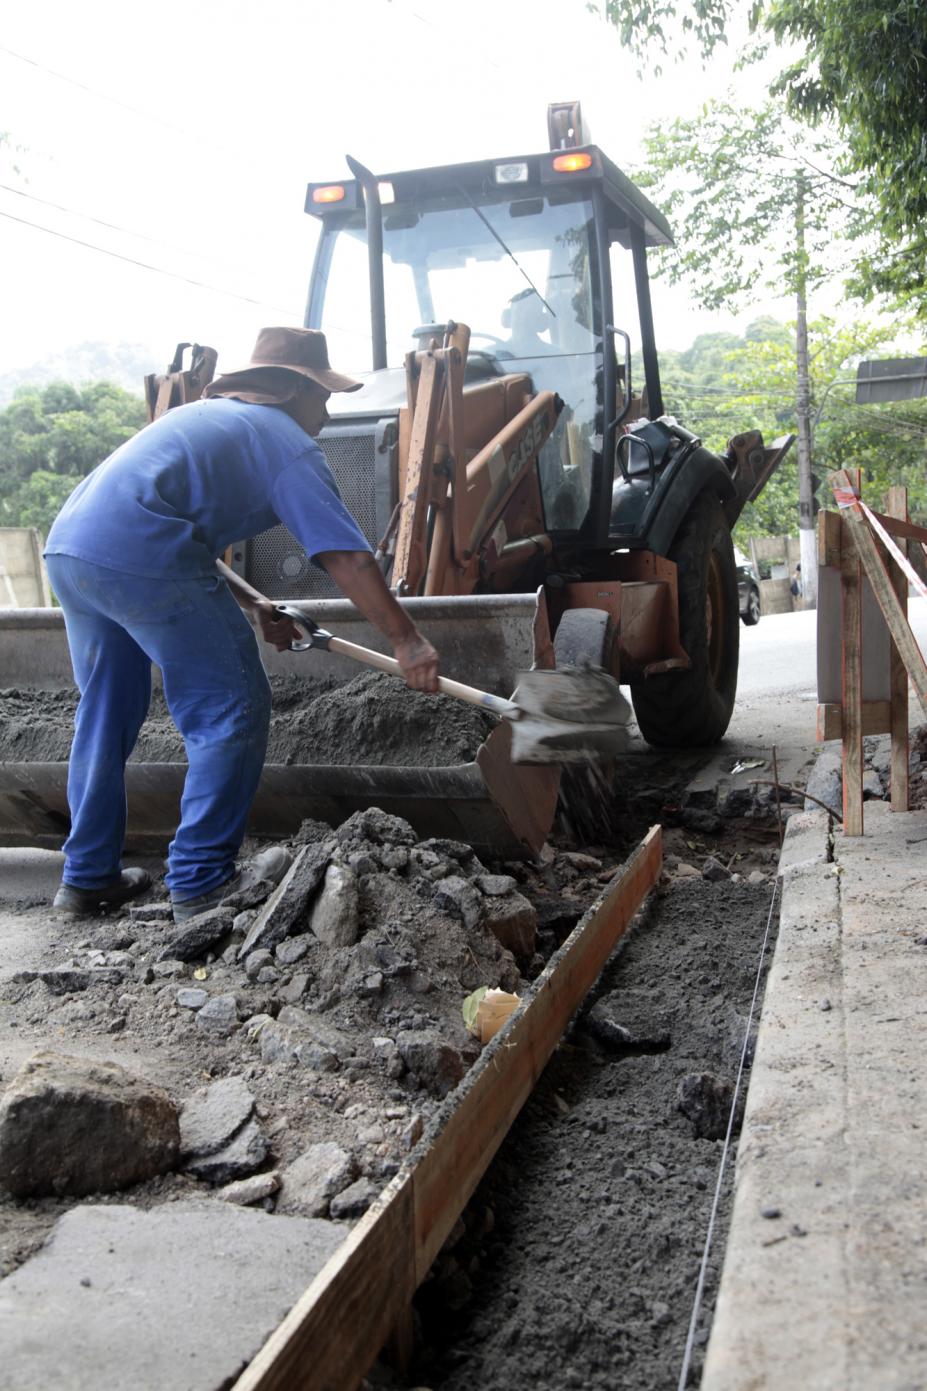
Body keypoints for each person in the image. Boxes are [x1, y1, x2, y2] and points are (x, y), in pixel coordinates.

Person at [44, 326, 439, 922]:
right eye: (323, 396)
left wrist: (256, 604)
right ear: (290, 391)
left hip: (72, 550)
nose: (328, 410)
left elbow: (181, 535)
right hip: (140, 553)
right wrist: (408, 644)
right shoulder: (285, 441)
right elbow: (347, 558)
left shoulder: (210, 423)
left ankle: (87, 877)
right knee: (232, 705)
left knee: (105, 711)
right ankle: (201, 880)